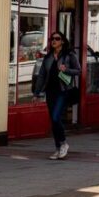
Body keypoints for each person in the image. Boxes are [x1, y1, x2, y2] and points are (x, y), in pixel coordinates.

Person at [32, 31, 81, 160]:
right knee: (54, 121)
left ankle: (63, 143)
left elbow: (78, 70)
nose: (54, 41)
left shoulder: (69, 55)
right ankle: (58, 148)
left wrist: (67, 70)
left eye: (57, 38)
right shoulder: (48, 57)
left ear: (62, 41)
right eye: (52, 39)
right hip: (50, 91)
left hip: (63, 91)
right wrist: (36, 93)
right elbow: (42, 76)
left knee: (55, 117)